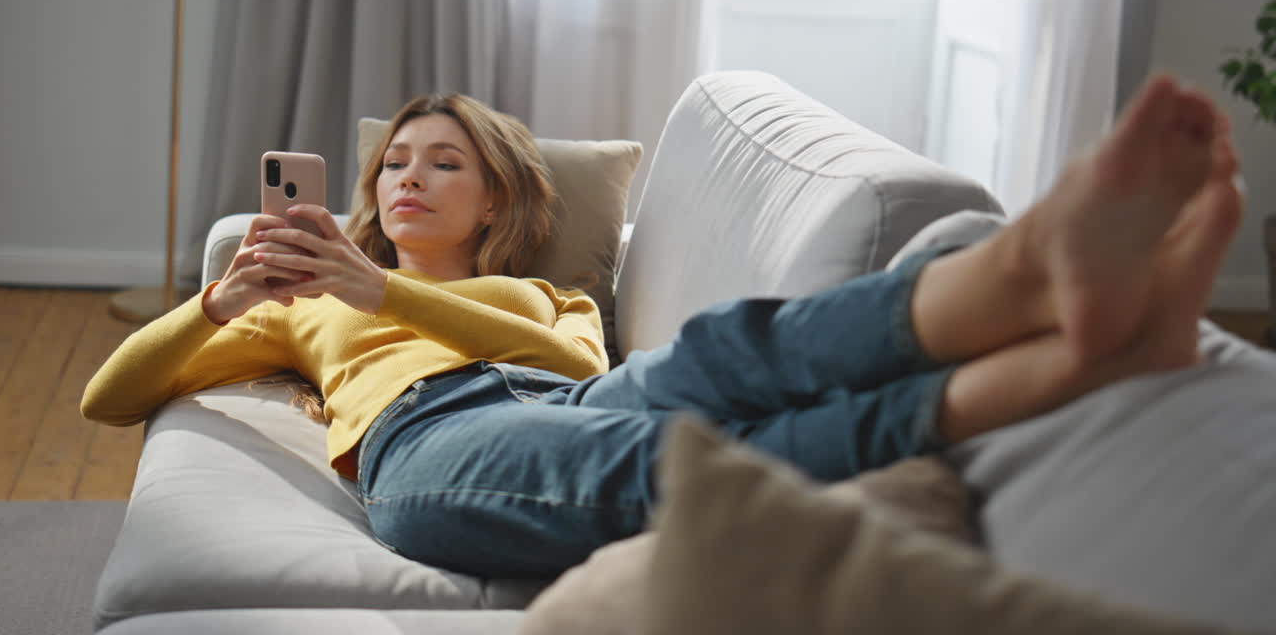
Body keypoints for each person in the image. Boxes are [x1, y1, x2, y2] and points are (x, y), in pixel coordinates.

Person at [82, 75, 1244, 579]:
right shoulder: (304, 308)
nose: (409, 179)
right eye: (395, 162)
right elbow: (111, 396)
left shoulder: (544, 294)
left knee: (721, 355)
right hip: (423, 449)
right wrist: (225, 299)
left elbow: (567, 364)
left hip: (552, 396)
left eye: (447, 163)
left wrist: (384, 292)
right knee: (676, 459)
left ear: (498, 199)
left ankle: (1023, 279)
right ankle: (1062, 354)